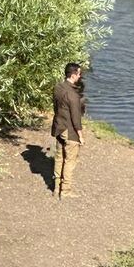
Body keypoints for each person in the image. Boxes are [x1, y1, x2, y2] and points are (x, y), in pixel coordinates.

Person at [51, 63, 85, 199]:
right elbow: (76, 119)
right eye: (79, 74)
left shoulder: (58, 87)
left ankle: (56, 188)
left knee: (59, 157)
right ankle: (65, 190)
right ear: (73, 75)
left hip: (58, 127)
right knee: (70, 160)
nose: (80, 76)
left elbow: (56, 106)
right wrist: (81, 136)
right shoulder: (73, 95)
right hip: (69, 130)